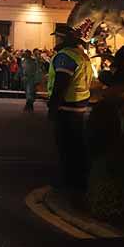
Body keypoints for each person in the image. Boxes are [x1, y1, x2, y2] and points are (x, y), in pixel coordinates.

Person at [47, 25, 93, 193]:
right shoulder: (82, 55)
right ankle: (79, 181)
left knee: (66, 147)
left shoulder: (65, 56)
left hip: (67, 107)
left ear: (63, 39)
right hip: (80, 107)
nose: (55, 40)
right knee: (77, 146)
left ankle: (67, 182)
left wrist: (52, 108)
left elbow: (61, 84)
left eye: (57, 37)